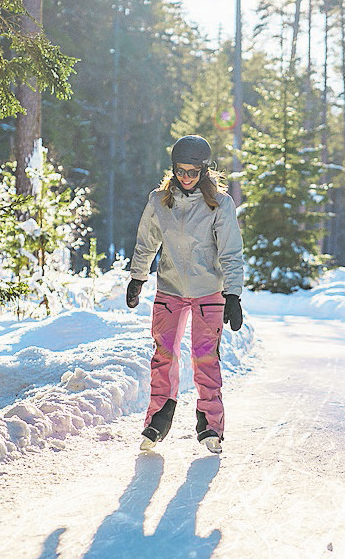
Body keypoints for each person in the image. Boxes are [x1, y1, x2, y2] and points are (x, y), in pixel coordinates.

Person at [126, 134, 245, 455]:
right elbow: (146, 241)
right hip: (170, 289)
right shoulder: (159, 201)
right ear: (173, 169)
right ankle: (158, 419)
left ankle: (210, 424)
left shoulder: (219, 204)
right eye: (181, 171)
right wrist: (137, 277)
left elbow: (231, 252)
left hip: (209, 292)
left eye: (193, 172)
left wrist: (233, 295)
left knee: (205, 358)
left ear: (204, 172)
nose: (186, 178)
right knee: (163, 355)